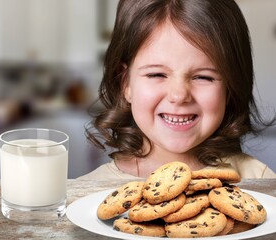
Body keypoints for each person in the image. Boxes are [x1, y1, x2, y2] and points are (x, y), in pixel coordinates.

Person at [78, 0, 276, 180]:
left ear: (230, 87)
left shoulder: (261, 182)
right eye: (157, 75)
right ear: (125, 83)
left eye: (203, 77)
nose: (179, 95)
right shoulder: (88, 192)